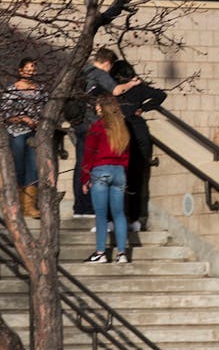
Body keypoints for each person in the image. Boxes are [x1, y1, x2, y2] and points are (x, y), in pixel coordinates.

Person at [71, 47, 140, 215]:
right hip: (91, 124)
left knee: (80, 163)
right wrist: (132, 83)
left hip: (78, 121)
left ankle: (79, 206)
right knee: (91, 163)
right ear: (107, 63)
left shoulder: (82, 71)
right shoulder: (99, 73)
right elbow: (116, 90)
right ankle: (88, 206)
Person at [111, 56, 167, 234]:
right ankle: (136, 217)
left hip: (121, 134)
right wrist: (144, 108)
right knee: (138, 179)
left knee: (119, 179)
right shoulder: (138, 88)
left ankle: (116, 218)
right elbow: (160, 94)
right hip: (139, 133)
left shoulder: (113, 89)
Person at [81, 96, 131, 263]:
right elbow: (127, 155)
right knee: (119, 214)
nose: (96, 108)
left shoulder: (97, 127)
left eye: (98, 105)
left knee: (101, 215)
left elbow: (89, 154)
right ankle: (122, 253)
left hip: (100, 170)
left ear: (103, 108)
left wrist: (85, 177)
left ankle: (100, 252)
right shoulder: (122, 129)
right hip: (119, 172)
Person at [0, 57, 47, 219]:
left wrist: (39, 122)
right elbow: (6, 114)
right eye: (27, 68)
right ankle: (18, 205)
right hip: (17, 133)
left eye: (33, 68)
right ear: (20, 71)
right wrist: (22, 118)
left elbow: (46, 110)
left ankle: (30, 206)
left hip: (35, 134)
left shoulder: (40, 90)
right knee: (19, 166)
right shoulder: (11, 90)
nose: (31, 71)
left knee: (33, 167)